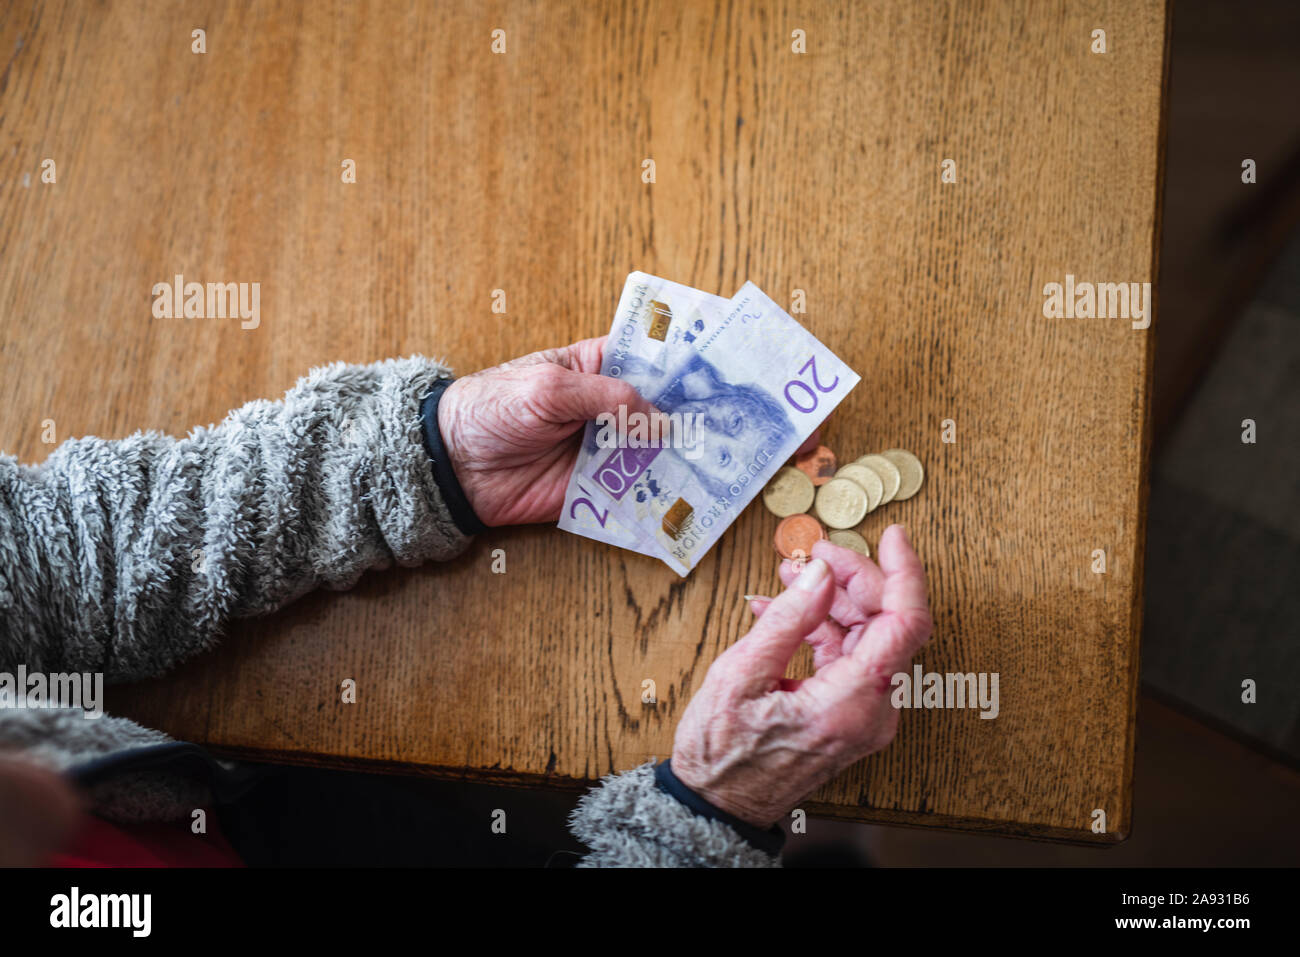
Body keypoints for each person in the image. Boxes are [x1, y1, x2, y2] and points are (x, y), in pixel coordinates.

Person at [0, 337, 932, 867]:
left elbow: (62, 552)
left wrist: (432, 459)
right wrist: (713, 814)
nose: (34, 770)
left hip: (263, 811)